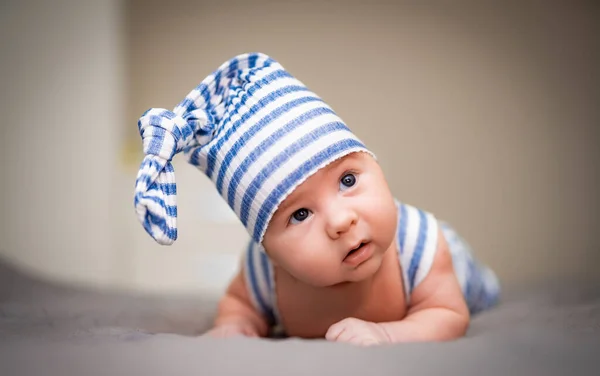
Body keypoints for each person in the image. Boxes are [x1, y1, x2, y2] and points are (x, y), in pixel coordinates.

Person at [133, 53, 500, 346]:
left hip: (455, 269)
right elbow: (240, 304)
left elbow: (448, 314)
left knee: (479, 289)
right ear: (267, 248)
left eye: (348, 179)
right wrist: (237, 324)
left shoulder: (420, 244)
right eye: (301, 214)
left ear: (375, 165)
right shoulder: (264, 273)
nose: (341, 222)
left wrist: (388, 334)